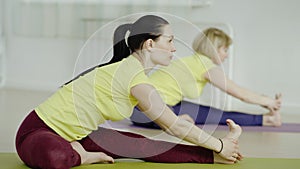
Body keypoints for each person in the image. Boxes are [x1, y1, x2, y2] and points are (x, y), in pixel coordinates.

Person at [15, 16, 243, 169]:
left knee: (144, 145)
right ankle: (81, 156)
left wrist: (218, 149)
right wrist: (218, 142)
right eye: (170, 41)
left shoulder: (137, 77)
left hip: (79, 136)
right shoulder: (131, 76)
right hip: (38, 131)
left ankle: (215, 158)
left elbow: (171, 123)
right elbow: (173, 126)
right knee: (55, 157)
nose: (174, 48)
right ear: (149, 44)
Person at [130, 27, 282, 129]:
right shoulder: (204, 65)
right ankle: (174, 122)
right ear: (214, 49)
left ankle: (268, 119)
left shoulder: (196, 61)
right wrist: (269, 102)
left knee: (216, 114)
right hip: (144, 110)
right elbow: (239, 93)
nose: (226, 55)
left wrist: (267, 102)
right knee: (209, 117)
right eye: (224, 49)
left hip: (166, 105)